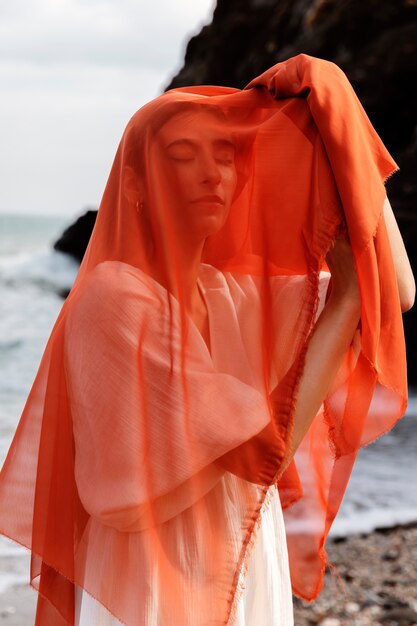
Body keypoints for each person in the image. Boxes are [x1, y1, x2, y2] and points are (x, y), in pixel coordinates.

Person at [0, 54, 414, 626]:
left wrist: (339, 105)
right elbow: (262, 450)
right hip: (149, 575)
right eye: (181, 156)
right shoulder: (115, 296)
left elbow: (395, 289)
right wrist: (342, 298)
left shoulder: (230, 294)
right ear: (138, 184)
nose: (210, 172)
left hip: (240, 553)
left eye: (225, 155)